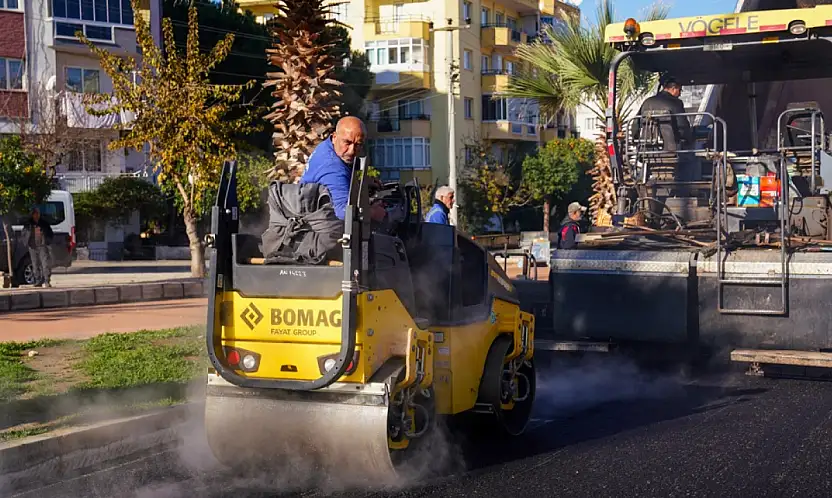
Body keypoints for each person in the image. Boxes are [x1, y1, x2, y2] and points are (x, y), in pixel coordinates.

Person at [300, 116, 371, 221]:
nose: (351, 150)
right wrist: (373, 212)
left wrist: (363, 183)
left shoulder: (326, 146)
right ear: (334, 137)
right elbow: (345, 213)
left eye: (358, 144)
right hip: (317, 227)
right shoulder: (333, 169)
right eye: (347, 143)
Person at [630, 74, 694, 153]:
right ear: (673, 89)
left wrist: (634, 139)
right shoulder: (676, 103)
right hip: (672, 147)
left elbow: (636, 123)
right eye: (679, 90)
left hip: (647, 148)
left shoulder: (647, 102)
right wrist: (689, 139)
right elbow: (683, 125)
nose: (680, 94)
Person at [25, 207, 53, 287]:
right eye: (35, 213)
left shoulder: (44, 223)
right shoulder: (29, 224)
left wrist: (47, 242)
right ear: (32, 215)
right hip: (32, 247)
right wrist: (26, 242)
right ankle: (37, 281)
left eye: (38, 213)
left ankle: (47, 281)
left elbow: (50, 233)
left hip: (42, 246)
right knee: (35, 264)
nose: (37, 215)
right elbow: (24, 233)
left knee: (45, 264)